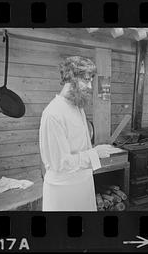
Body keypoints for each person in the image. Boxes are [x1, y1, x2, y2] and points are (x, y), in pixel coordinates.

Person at [39, 56, 114, 211]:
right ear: (71, 79)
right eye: (86, 80)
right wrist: (95, 153)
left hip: (83, 183)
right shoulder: (53, 113)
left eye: (91, 81)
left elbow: (81, 147)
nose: (90, 86)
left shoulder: (78, 107)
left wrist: (95, 151)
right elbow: (60, 163)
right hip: (64, 191)